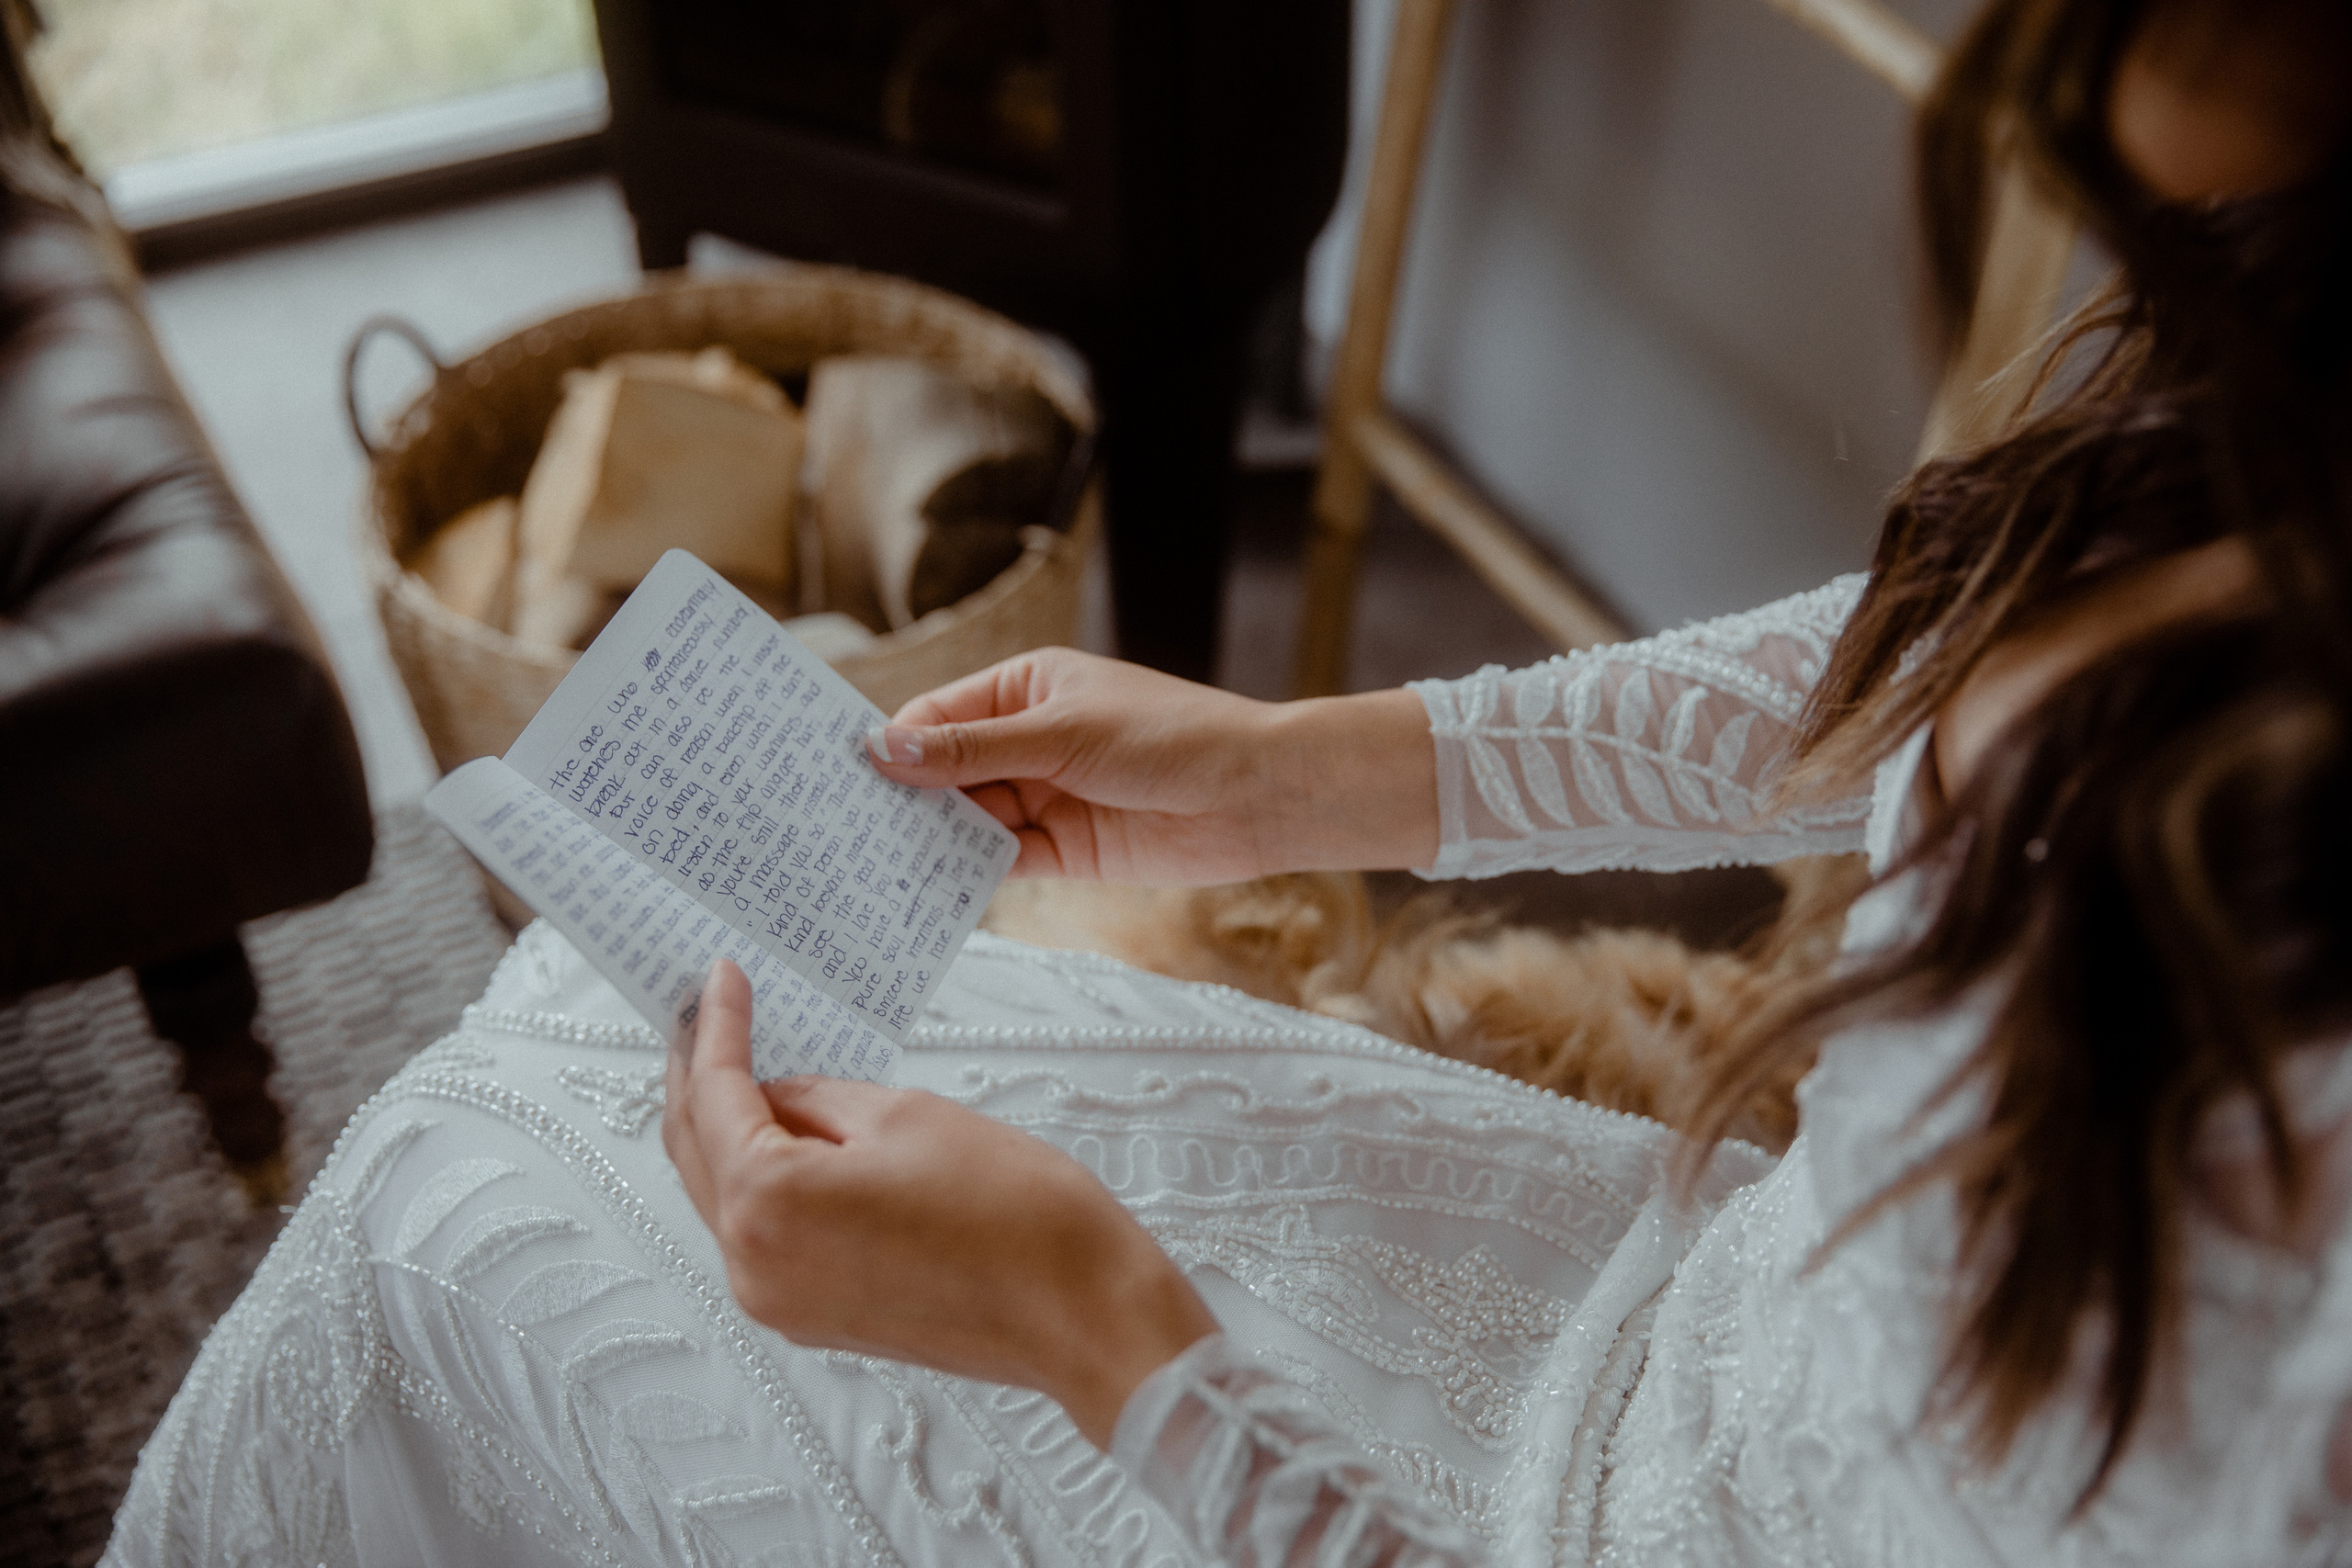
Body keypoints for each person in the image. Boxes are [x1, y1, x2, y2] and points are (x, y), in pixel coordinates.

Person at [105, 0, 2351, 1562]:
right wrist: (1303, 769)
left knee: (446, 1219)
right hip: (1660, 1328)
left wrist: (1097, 1333)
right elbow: (1948, 680)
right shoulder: (2297, 325)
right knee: (562, 1038)